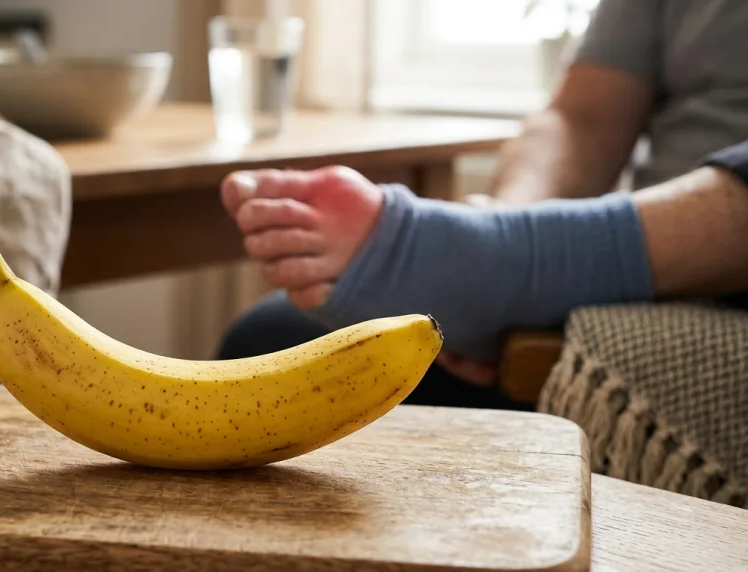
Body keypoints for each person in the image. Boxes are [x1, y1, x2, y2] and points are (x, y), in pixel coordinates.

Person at [213, 0, 748, 411]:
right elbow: (583, 118)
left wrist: (497, 265)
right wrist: (504, 225)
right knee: (269, 341)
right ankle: (509, 258)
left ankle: (516, 261)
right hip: (643, 262)